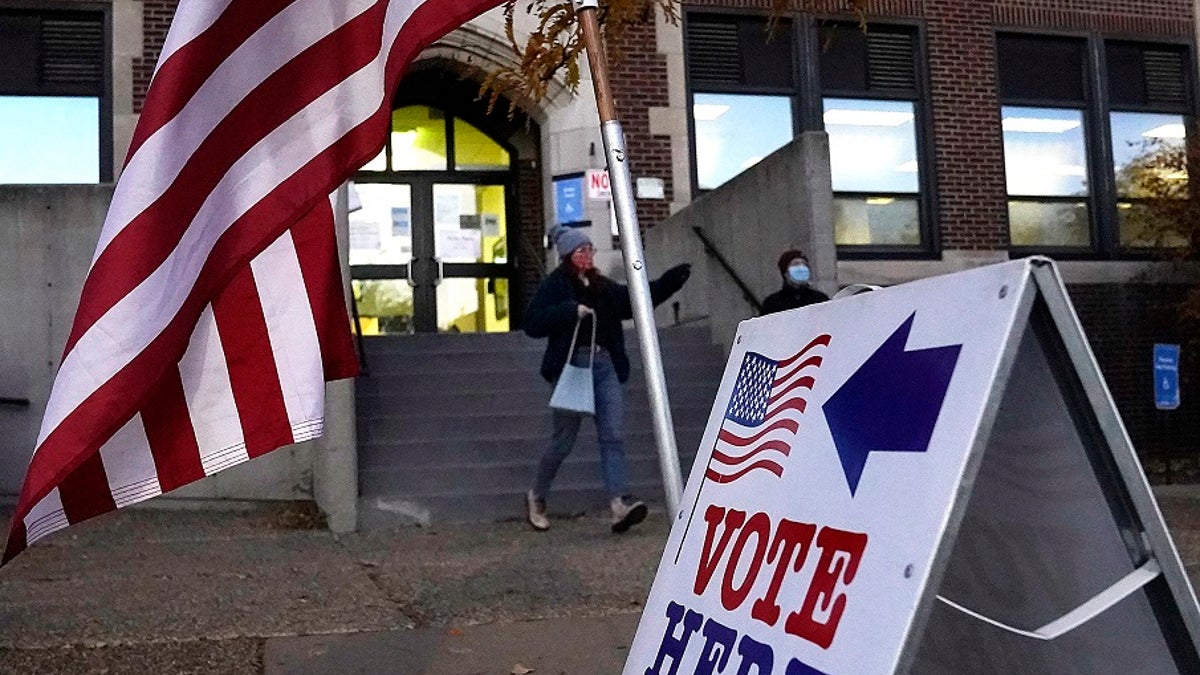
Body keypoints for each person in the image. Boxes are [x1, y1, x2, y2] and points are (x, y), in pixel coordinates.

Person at [524, 225, 691, 533]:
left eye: (589, 249)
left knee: (612, 434)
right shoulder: (555, 286)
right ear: (567, 256)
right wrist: (569, 310)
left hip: (604, 365)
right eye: (580, 251)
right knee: (563, 440)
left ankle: (619, 503)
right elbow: (532, 323)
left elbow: (632, 301)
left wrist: (669, 283)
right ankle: (537, 495)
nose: (587, 255)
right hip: (573, 366)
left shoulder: (602, 286)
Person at [760, 249, 829, 316]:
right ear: (785, 272)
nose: (801, 268)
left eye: (804, 264)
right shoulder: (772, 302)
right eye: (796, 264)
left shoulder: (820, 299)